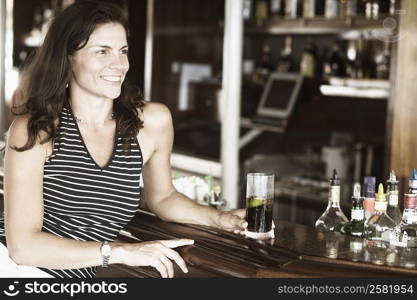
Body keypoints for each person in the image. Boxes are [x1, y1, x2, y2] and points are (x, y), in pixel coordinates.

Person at [0, 1, 247, 278]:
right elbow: (23, 248)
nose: (118, 64)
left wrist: (220, 219)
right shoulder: (36, 130)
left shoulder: (152, 122)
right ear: (67, 58)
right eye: (102, 51)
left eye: (123, 51)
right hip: (16, 270)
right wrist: (121, 251)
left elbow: (163, 197)